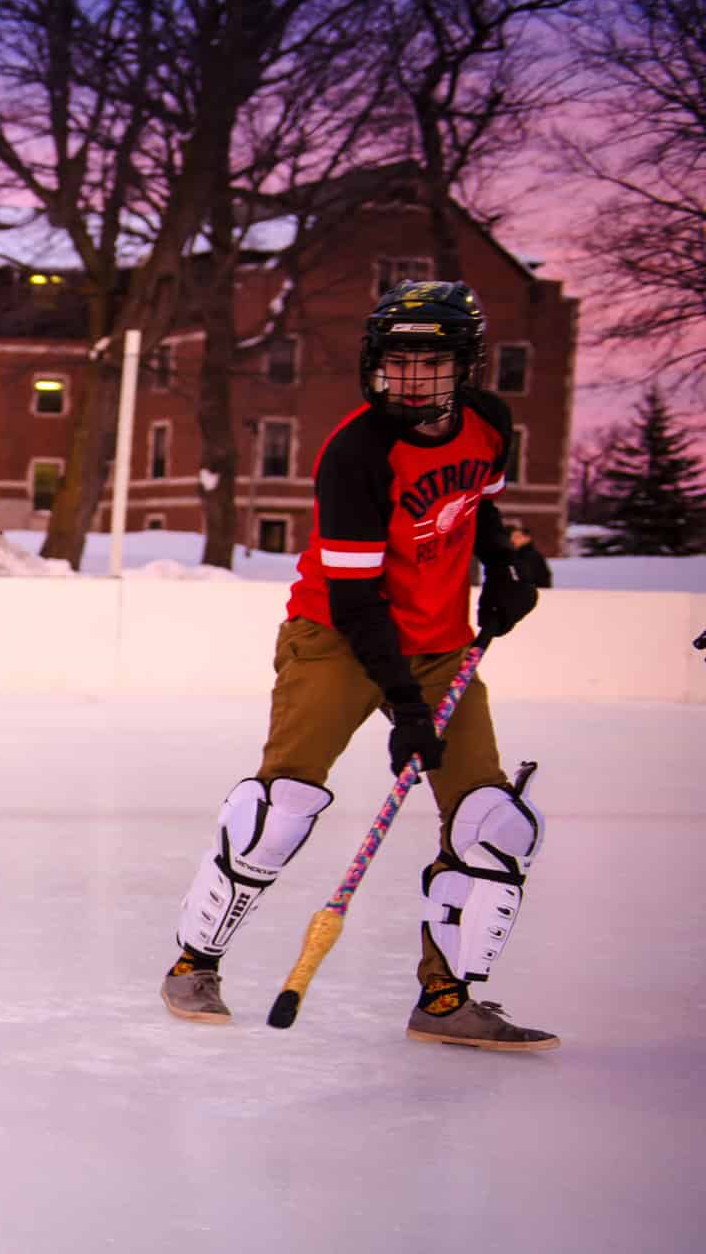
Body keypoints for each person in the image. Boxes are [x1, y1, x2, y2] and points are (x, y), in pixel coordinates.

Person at [158, 280, 552, 1050]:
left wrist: (506, 567)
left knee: (492, 824)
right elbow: (356, 593)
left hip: (440, 643)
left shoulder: (489, 425)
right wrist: (405, 706)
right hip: (336, 635)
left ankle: (444, 998)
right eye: (395, 363)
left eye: (428, 363)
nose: (408, 379)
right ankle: (193, 962)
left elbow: (479, 506)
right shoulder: (357, 452)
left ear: (464, 366)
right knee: (281, 809)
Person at [506, 520, 552, 589]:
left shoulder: (530, 556)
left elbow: (528, 577)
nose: (513, 540)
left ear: (527, 538)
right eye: (512, 537)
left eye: (517, 537)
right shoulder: (516, 554)